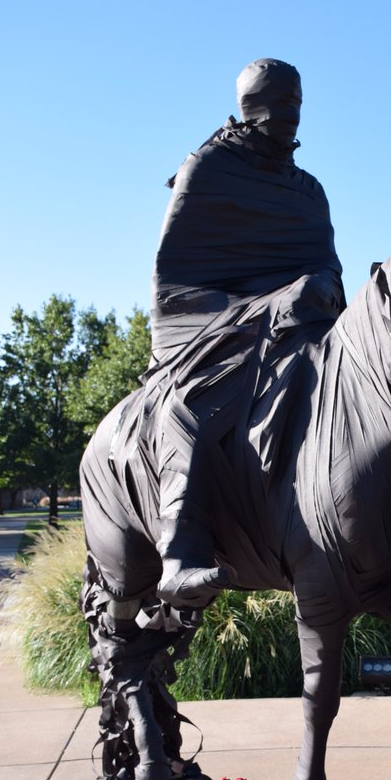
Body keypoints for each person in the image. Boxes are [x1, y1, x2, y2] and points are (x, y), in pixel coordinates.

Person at [149, 58, 344, 607]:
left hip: (299, 326)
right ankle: (180, 553)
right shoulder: (208, 169)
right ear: (249, 105)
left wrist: (322, 287)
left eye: (296, 102)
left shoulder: (309, 190)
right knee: (191, 406)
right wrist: (271, 303)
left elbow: (328, 264)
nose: (289, 113)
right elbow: (177, 277)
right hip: (212, 323)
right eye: (277, 101)